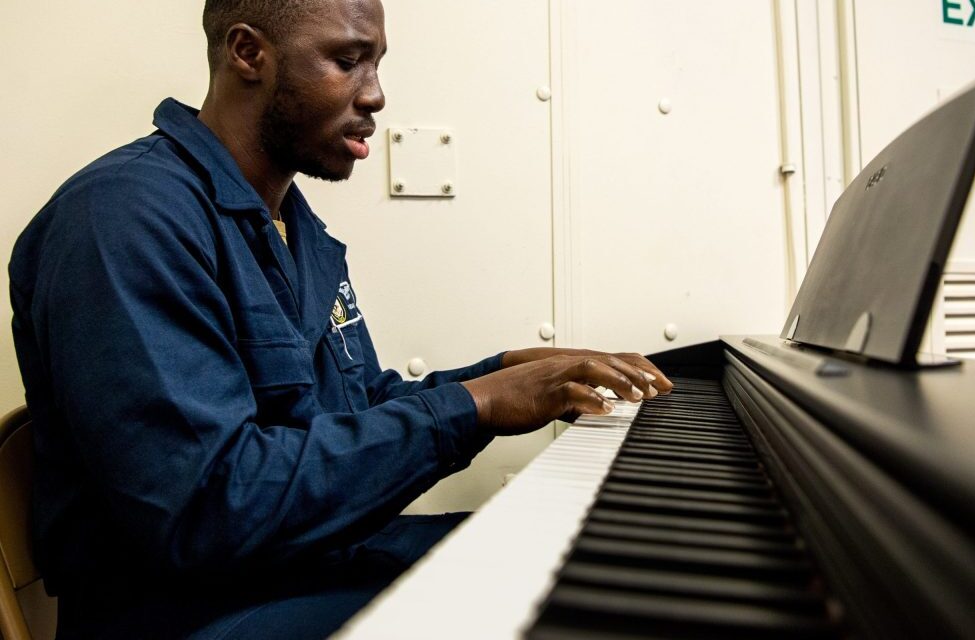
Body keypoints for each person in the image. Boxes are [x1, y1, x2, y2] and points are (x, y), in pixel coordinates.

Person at [9, 0, 673, 638]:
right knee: (570, 597)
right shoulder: (123, 218)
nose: (375, 94)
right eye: (348, 60)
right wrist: (474, 407)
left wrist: (501, 377)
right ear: (248, 52)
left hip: (303, 570)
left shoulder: (297, 229)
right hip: (189, 616)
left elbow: (352, 407)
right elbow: (206, 507)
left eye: (377, 63)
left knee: (587, 548)